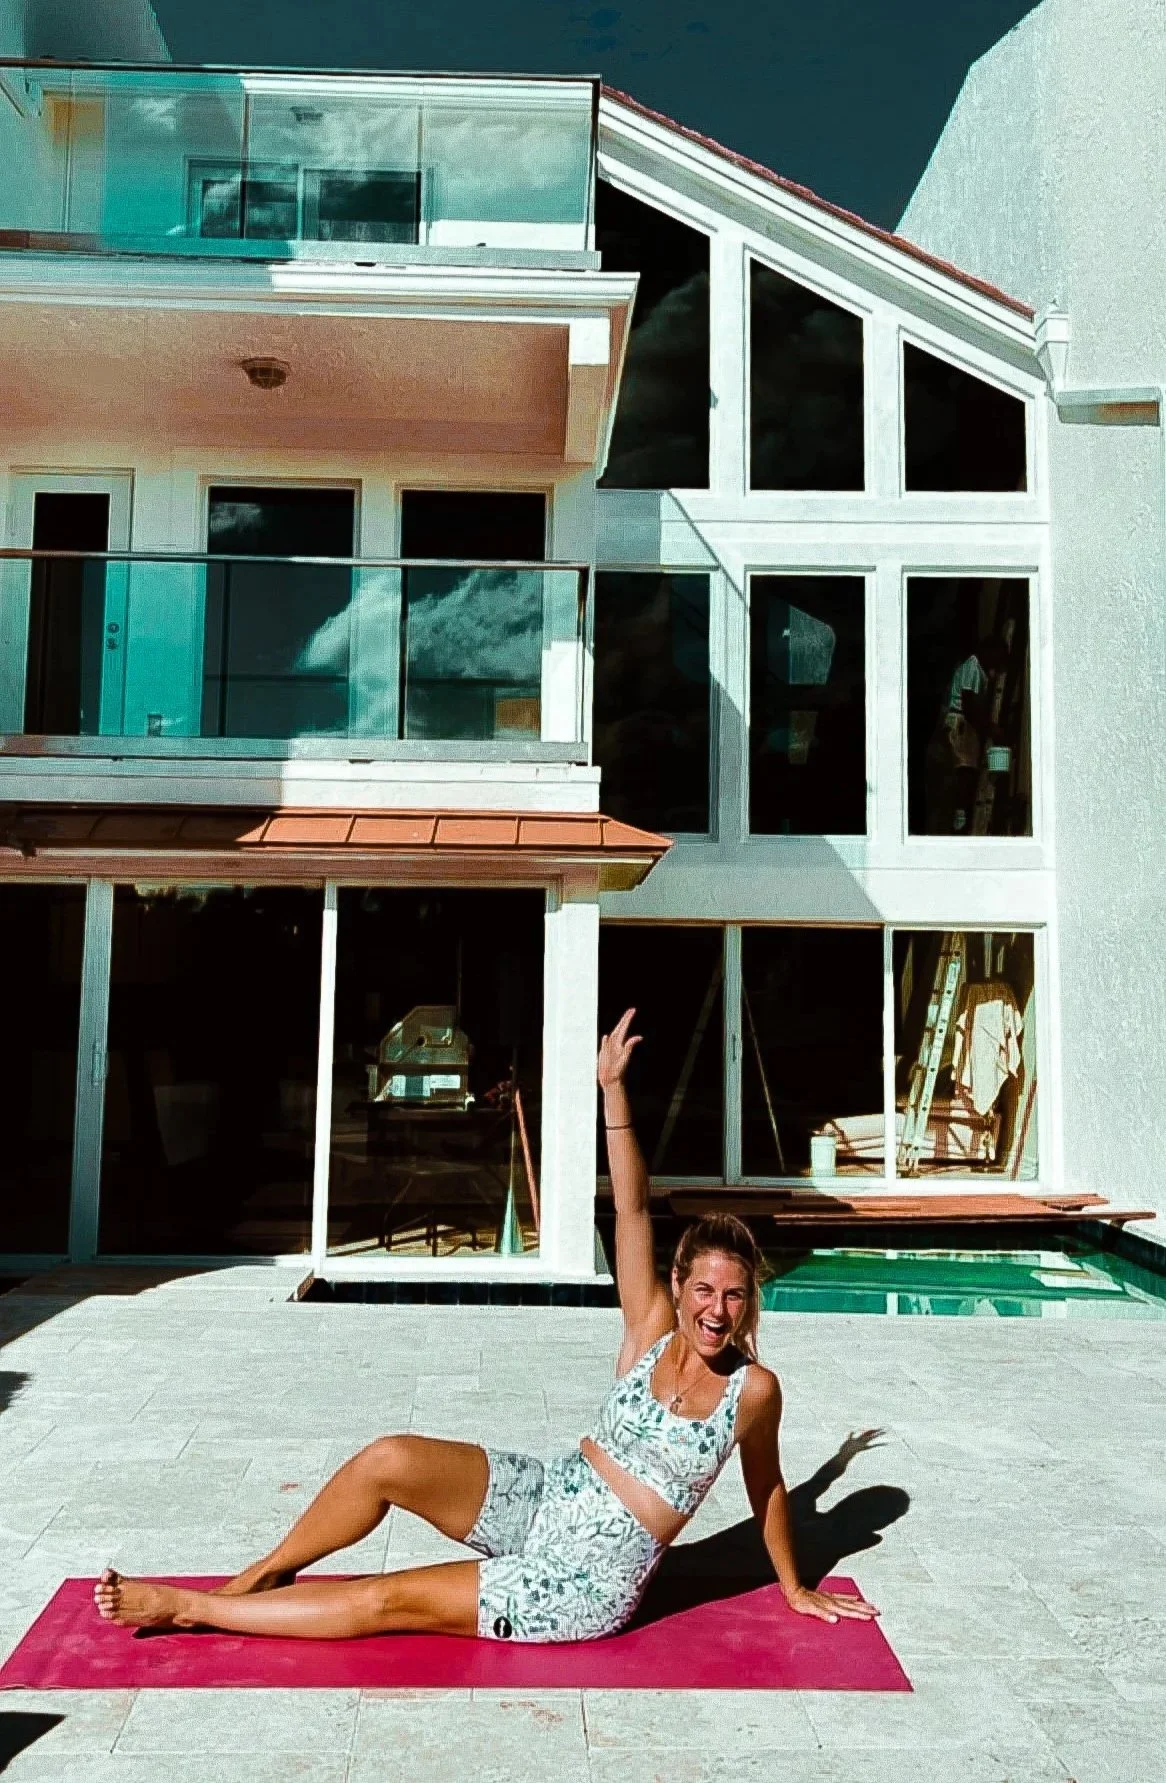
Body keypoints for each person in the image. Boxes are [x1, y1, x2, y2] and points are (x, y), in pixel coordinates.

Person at [94, 1008, 878, 1642]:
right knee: (388, 1458)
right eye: (703, 1287)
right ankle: (264, 1571)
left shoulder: (753, 1390)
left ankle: (190, 1606)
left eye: (735, 1295)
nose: (716, 1308)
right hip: (544, 1496)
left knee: (385, 1598)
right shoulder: (650, 1328)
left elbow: (771, 1486)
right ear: (677, 1286)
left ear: (750, 1304)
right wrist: (613, 1091)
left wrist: (795, 1585)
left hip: (584, 1582)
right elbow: (633, 1207)